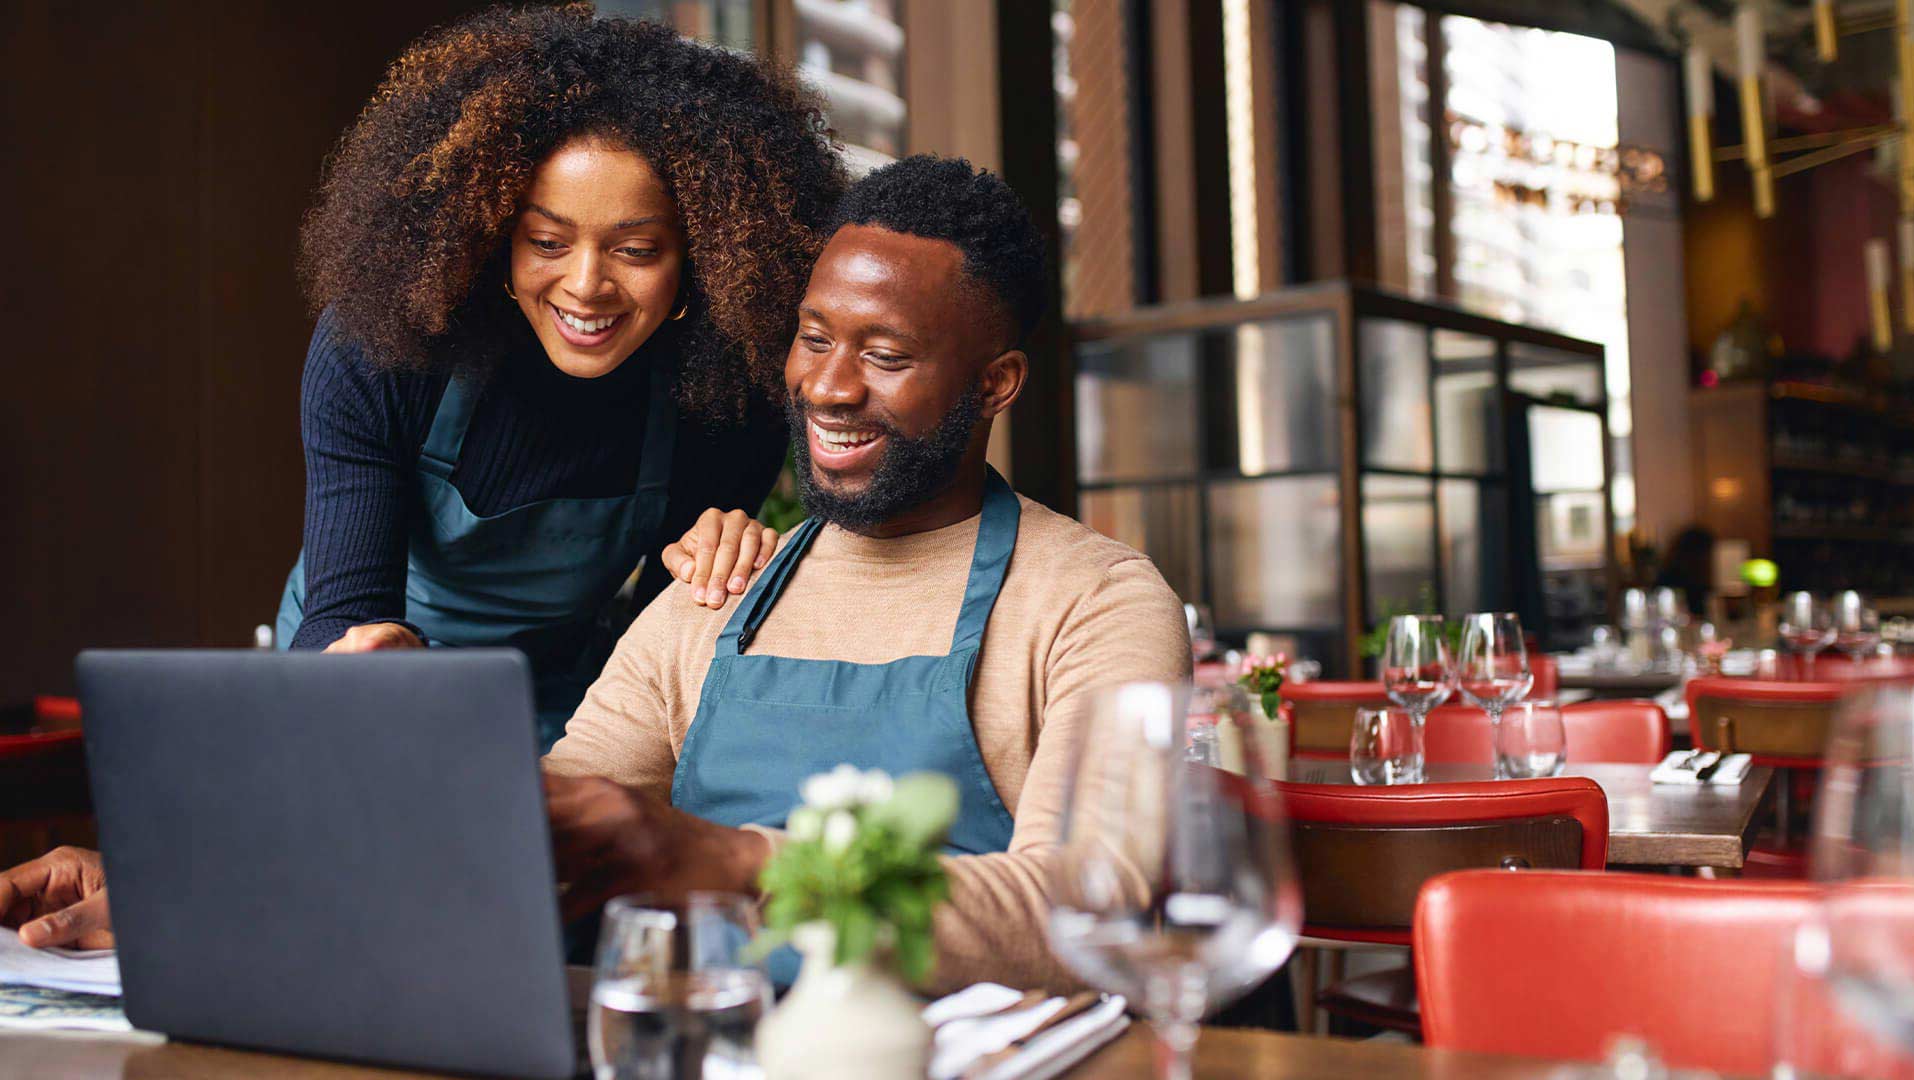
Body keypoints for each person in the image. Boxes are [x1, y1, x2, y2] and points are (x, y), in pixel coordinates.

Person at [2, 157, 1189, 995]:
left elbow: (1091, 906)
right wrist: (189, 888)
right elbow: (508, 844)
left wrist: (720, 861)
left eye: (884, 356)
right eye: (814, 339)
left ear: (998, 384)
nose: (827, 389)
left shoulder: (1094, 600)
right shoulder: (717, 593)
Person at [278, 6, 846, 747]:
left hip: (562, 699)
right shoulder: (384, 347)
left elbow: (656, 654)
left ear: (703, 262)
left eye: (636, 251)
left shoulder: (728, 395)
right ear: (493, 234)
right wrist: (362, 658)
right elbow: (343, 608)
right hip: (365, 682)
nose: (585, 286)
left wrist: (717, 572)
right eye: (546, 240)